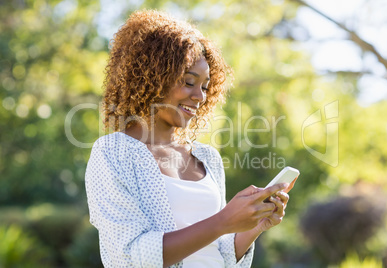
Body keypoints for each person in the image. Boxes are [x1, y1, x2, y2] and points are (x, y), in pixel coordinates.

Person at [85, 10, 295, 268]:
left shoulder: (208, 159)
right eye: (188, 82)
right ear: (152, 77)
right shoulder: (112, 153)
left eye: (205, 86)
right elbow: (129, 256)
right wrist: (224, 221)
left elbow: (218, 253)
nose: (200, 96)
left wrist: (253, 226)